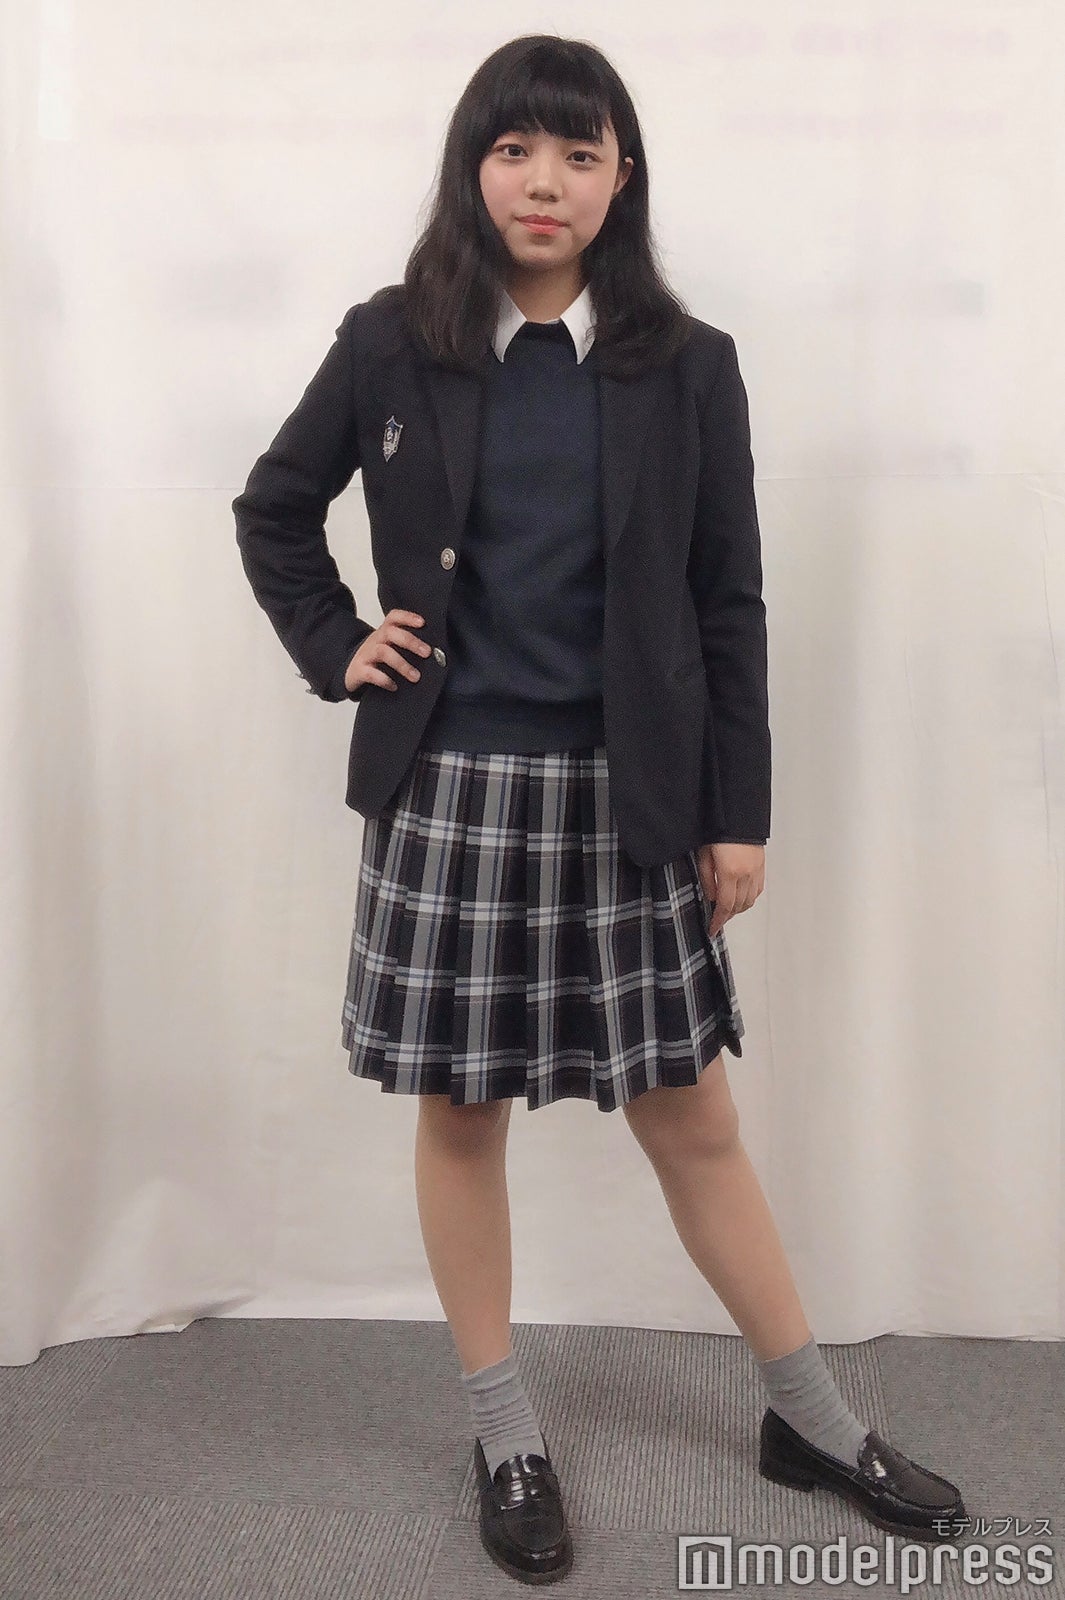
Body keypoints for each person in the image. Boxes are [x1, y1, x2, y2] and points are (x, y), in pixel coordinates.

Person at [233, 32, 965, 1589]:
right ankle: (504, 1434)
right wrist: (334, 640)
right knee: (461, 1111)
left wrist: (736, 812)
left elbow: (726, 598)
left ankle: (812, 1418)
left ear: (622, 177)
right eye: (514, 149)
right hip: (452, 789)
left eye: (578, 152)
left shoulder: (683, 363)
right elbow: (274, 508)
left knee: (690, 1116)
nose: (543, 180)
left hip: (629, 794)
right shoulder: (390, 340)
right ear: (472, 165)